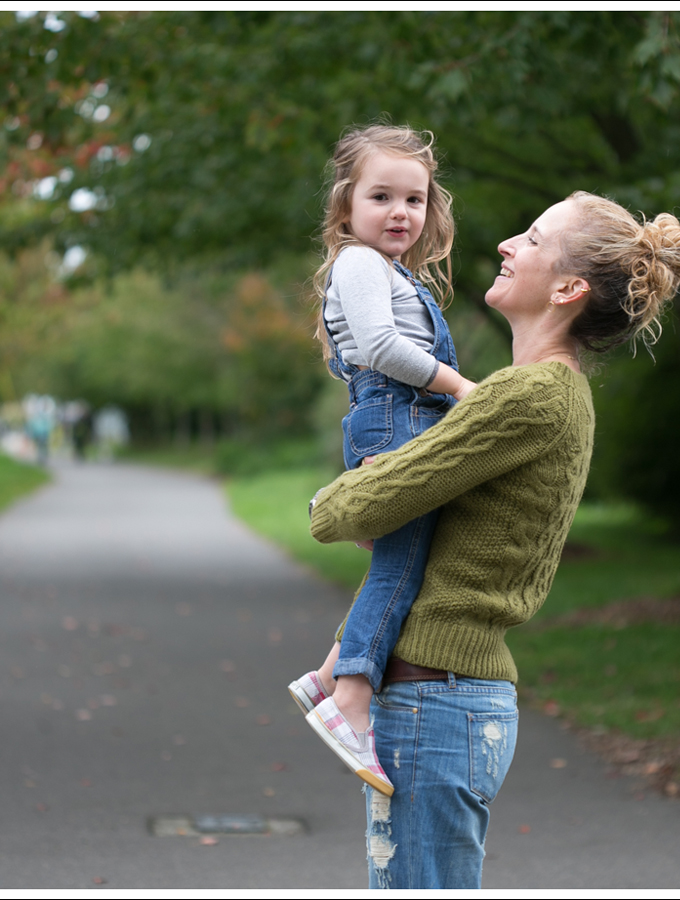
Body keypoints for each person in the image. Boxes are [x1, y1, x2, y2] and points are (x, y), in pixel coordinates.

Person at [307, 190, 680, 889]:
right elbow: (424, 511)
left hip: (436, 705)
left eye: (533, 238)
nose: (507, 245)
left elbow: (355, 510)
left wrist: (336, 496)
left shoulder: (528, 395)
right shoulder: (550, 392)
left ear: (568, 287)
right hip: (443, 703)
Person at [288, 124, 476, 796]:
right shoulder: (360, 263)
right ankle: (351, 699)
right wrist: (464, 391)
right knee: (400, 567)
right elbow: (379, 349)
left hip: (404, 420)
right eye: (381, 197)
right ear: (345, 206)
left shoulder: (392, 271)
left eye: (415, 200)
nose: (401, 212)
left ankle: (329, 671)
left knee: (406, 562)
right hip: (397, 419)